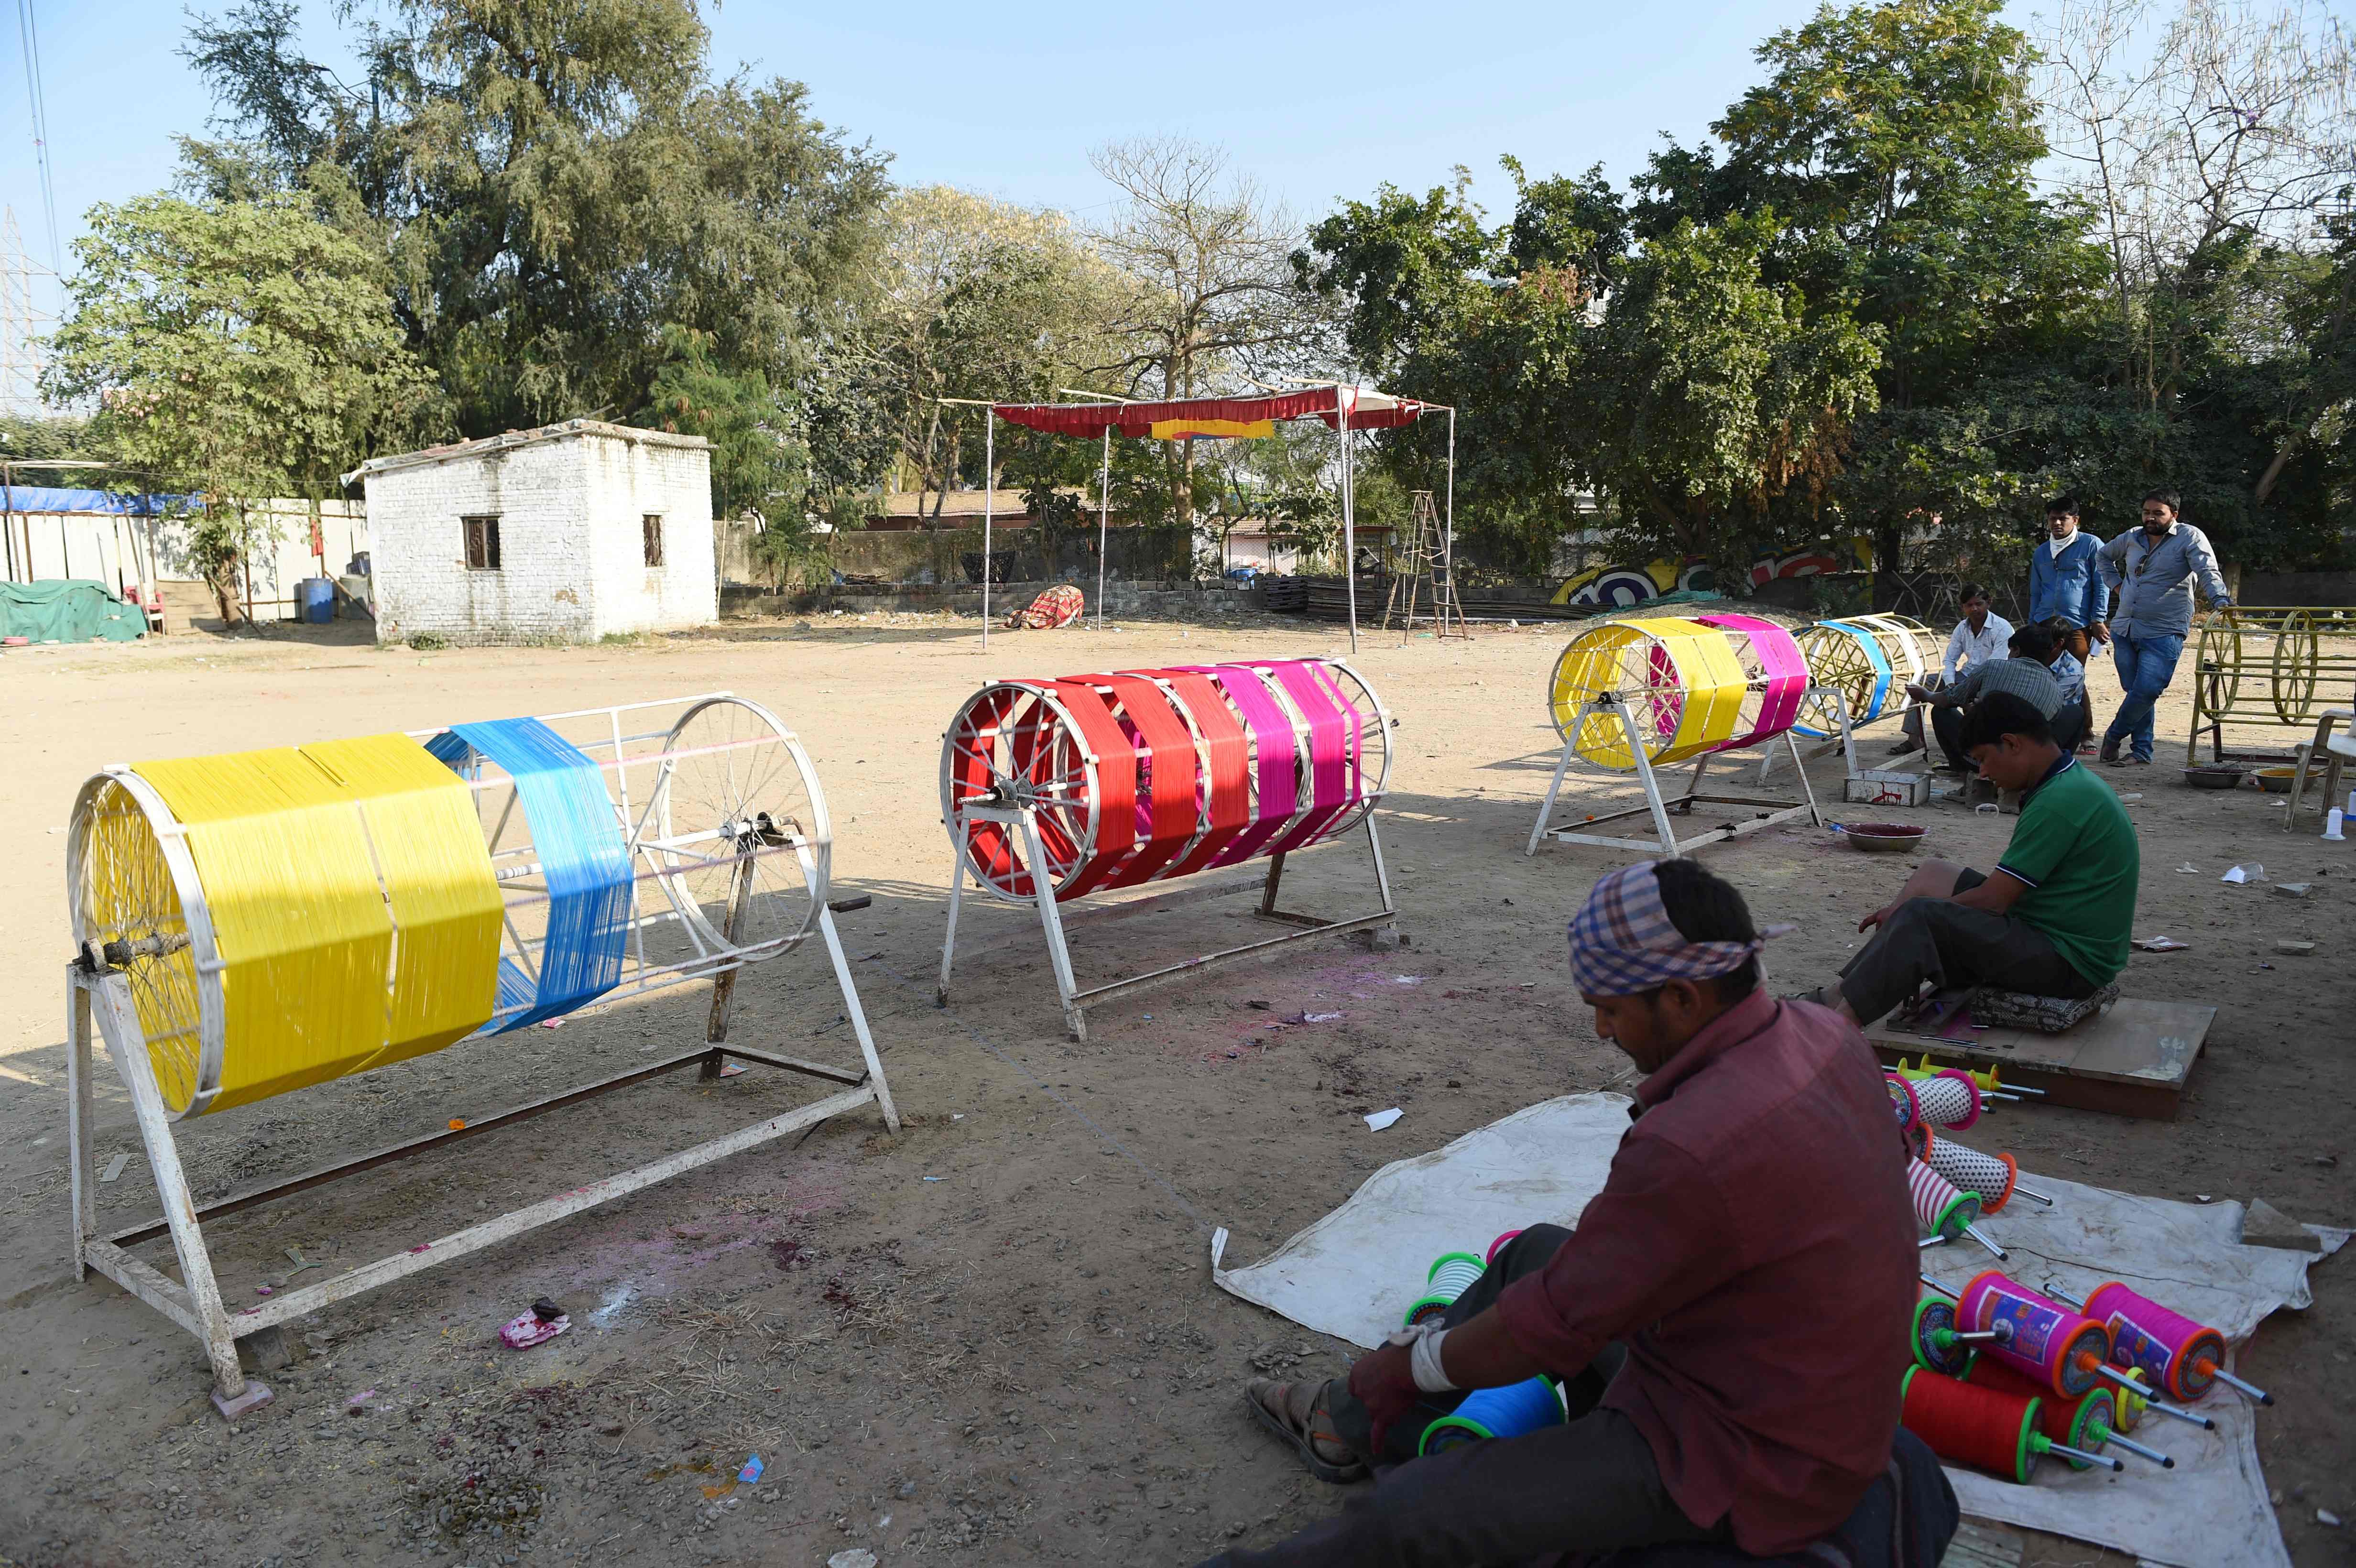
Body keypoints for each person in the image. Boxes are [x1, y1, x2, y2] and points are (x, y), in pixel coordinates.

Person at [1221, 860, 1920, 1568]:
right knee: (1537, 1250)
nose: (1600, 1029)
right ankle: (1344, 1428)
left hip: (1742, 1450)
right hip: (1789, 1380)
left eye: (1612, 1009)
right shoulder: (1824, 1033)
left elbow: (1550, 1328)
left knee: (1414, 1514)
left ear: (1681, 997)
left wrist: (1404, 1368)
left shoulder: (1695, 1143)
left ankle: (1353, 1440)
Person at [1821, 692, 2137, 1027]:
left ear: (2012, 743)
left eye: (1984, 759)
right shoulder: (2067, 782)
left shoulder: (2059, 801)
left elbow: (1993, 902)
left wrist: (1915, 922)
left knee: (1920, 917)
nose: (1983, 773)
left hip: (2071, 964)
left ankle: (1836, 1029)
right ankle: (1835, 995)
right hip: (2051, 931)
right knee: (1932, 875)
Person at [2096, 489, 2231, 765]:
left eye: (2158, 513)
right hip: (2125, 627)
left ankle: (2114, 735)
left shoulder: (2189, 537)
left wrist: (2220, 600)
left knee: (2147, 689)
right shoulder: (2132, 537)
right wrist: (2117, 586)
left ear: (2174, 515)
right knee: (2134, 690)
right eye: (2147, 512)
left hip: (2165, 629)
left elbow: (2207, 569)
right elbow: (2103, 557)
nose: (2151, 518)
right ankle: (2142, 750)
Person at [1905, 624, 2064, 774]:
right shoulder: (2057, 690)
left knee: (1942, 712)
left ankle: (1964, 772)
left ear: (2016, 651)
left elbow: (1948, 700)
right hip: (2027, 764)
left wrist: (1925, 695)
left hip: (1986, 758)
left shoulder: (1994, 667)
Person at [1895, 585, 2011, 757]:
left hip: (1991, 679)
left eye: (1978, 604)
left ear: (1988, 603)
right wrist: (1950, 683)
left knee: (1969, 704)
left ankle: (1971, 747)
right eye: (1969, 605)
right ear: (1963, 608)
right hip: (1964, 676)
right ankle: (1914, 739)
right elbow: (1950, 659)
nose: (1974, 609)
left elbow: (1997, 666)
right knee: (1923, 682)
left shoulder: (2002, 628)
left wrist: (1963, 688)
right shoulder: (1962, 628)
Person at [2029, 494, 2107, 739]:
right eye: (2053, 519)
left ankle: (2084, 733)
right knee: (2041, 677)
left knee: (2074, 677)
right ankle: (2043, 733)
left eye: (2063, 519)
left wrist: (2098, 619)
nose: (2058, 524)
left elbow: (2101, 584)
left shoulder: (2092, 545)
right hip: (2044, 623)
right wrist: (2032, 623)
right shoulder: (2042, 552)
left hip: (2077, 625)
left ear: (2076, 520)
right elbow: (2035, 590)